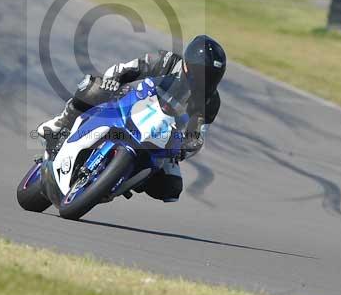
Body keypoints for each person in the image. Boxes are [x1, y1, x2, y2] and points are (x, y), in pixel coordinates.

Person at [37, 35, 226, 203]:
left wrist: (184, 149)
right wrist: (115, 80)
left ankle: (122, 178)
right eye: (202, 73)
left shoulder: (211, 102)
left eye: (212, 76)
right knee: (93, 88)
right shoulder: (167, 62)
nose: (206, 80)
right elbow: (127, 68)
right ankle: (61, 123)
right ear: (187, 65)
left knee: (170, 188)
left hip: (163, 136)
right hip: (133, 105)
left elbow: (197, 134)